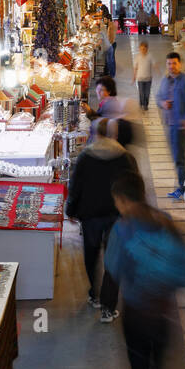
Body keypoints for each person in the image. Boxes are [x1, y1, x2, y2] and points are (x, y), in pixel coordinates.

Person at [105, 171, 185, 369]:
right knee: (158, 364)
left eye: (117, 201)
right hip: (162, 311)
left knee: (139, 366)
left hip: (136, 311)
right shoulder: (165, 220)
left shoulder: (122, 228)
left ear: (123, 200)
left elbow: (112, 267)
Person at [66, 124, 138, 323]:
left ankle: (94, 294)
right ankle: (108, 307)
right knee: (113, 259)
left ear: (95, 134)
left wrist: (70, 209)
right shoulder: (125, 157)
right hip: (117, 215)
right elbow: (135, 185)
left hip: (90, 216)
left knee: (91, 253)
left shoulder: (85, 157)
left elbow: (75, 186)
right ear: (114, 134)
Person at [156, 52, 185, 199]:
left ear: (180, 64)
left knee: (179, 159)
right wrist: (162, 103)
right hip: (170, 124)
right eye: (169, 64)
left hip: (181, 126)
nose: (171, 66)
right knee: (179, 158)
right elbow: (158, 97)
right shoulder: (165, 80)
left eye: (174, 63)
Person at [133, 40, 154, 111]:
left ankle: (146, 104)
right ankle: (141, 102)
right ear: (139, 49)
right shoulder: (137, 57)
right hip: (140, 78)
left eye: (144, 49)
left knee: (147, 93)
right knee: (141, 92)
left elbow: (153, 64)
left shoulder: (150, 56)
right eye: (141, 49)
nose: (143, 50)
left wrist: (157, 69)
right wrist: (134, 77)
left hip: (148, 78)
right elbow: (135, 68)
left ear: (147, 49)